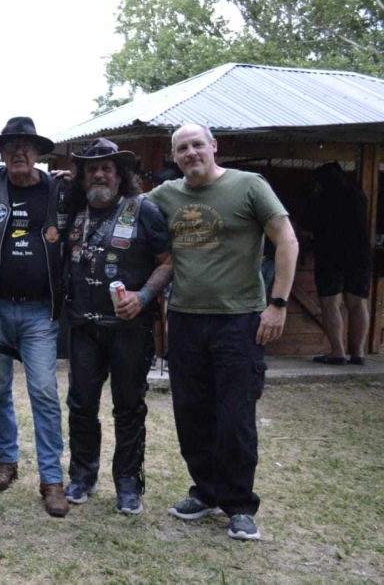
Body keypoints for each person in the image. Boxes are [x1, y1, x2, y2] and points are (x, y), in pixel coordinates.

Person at [148, 123, 298, 541]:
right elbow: (128, 207)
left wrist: (279, 304)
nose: (191, 152)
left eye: (198, 145)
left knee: (234, 415)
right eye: (183, 148)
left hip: (240, 319)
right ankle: (206, 492)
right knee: (191, 413)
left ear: (214, 146)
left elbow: (286, 240)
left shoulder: (250, 186)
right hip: (185, 318)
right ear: (175, 157)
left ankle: (239, 505)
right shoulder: (166, 196)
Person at [61, 139, 173, 515]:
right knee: (80, 404)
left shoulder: (145, 210)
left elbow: (167, 262)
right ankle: (82, 476)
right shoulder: (74, 208)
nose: (99, 173)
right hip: (82, 326)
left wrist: (142, 298)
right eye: (91, 168)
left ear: (120, 174)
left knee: (128, 407)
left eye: (107, 167)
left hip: (130, 329)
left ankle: (128, 484)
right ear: (82, 175)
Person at [0, 116, 70, 517]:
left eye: (26, 146)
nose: (18, 152)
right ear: (1, 152)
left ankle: (51, 479)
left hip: (40, 311)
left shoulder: (59, 188)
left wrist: (75, 176)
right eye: (11, 146)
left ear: (39, 153)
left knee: (44, 392)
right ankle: (6, 462)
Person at [302, 162, 371, 366]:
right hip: (360, 255)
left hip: (330, 255)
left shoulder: (320, 199)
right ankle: (358, 353)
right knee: (358, 303)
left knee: (331, 303)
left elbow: (306, 228)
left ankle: (338, 353)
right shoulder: (359, 195)